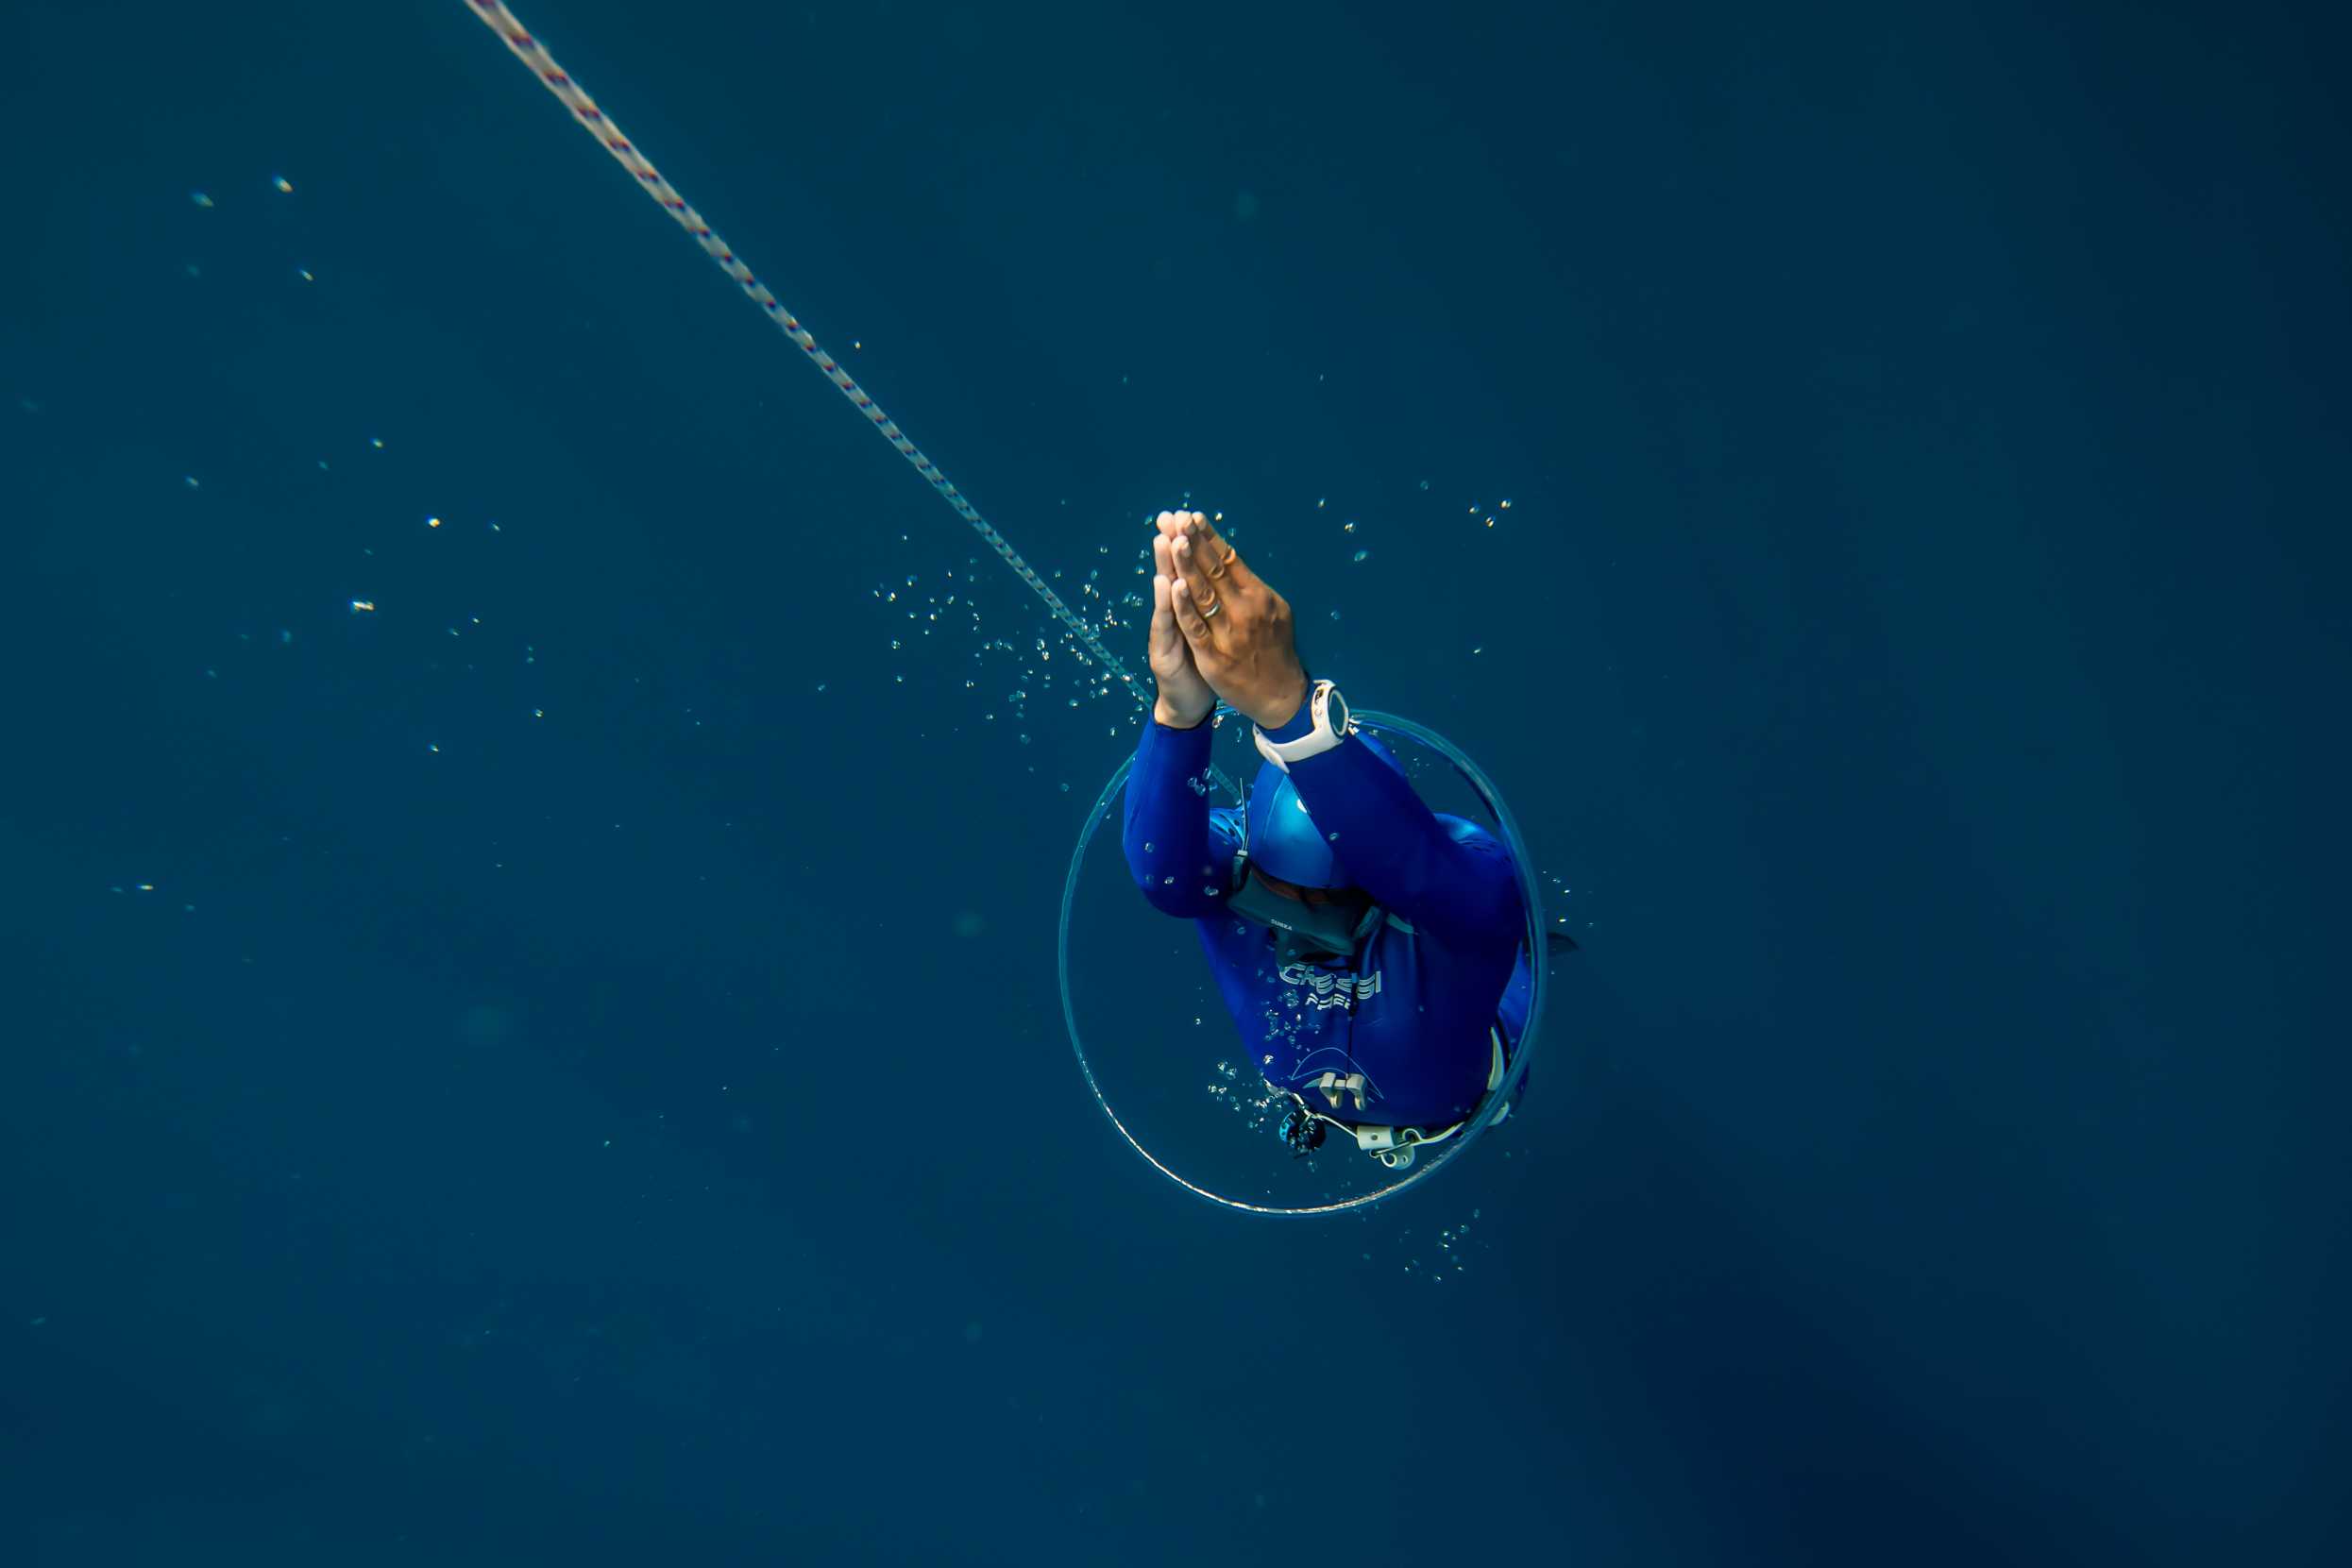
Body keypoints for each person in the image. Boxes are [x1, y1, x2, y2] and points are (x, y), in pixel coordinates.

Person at [1122, 510, 1535, 1161]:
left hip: (1470, 1090)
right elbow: (1162, 876)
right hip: (1329, 1095)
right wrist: (1179, 709)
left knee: (1501, 930)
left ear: (1378, 892)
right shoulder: (1236, 866)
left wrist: (1292, 715)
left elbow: (1418, 868)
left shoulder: (1464, 889)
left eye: (1322, 910)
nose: (1294, 935)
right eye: (1276, 897)